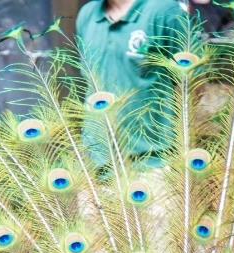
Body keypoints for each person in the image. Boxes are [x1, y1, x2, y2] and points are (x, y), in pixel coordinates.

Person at [75, 0, 189, 169]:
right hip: (98, 163)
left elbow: (190, 83)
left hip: (152, 161)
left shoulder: (164, 10)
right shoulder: (88, 14)